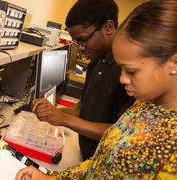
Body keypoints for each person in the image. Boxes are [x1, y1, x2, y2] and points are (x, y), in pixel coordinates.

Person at [15, 0, 177, 179]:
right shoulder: (144, 107)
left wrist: (63, 119)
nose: (123, 78)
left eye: (131, 71)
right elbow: (102, 162)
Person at [32, 0, 135, 160]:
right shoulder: (96, 62)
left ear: (108, 27)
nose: (80, 47)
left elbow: (120, 134)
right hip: (85, 155)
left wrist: (64, 119)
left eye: (83, 39)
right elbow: (82, 109)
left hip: (102, 161)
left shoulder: (128, 73)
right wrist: (51, 112)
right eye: (77, 42)